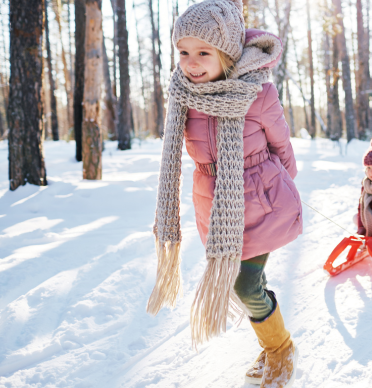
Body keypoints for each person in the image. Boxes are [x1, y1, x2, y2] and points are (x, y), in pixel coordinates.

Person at [147, 1, 302, 387]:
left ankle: (281, 348)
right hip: (216, 208)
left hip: (263, 201)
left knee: (244, 285)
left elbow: (282, 146)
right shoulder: (183, 97)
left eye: (203, 52)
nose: (192, 63)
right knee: (248, 283)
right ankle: (271, 345)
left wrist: (278, 186)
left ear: (227, 53)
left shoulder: (257, 93)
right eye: (184, 52)